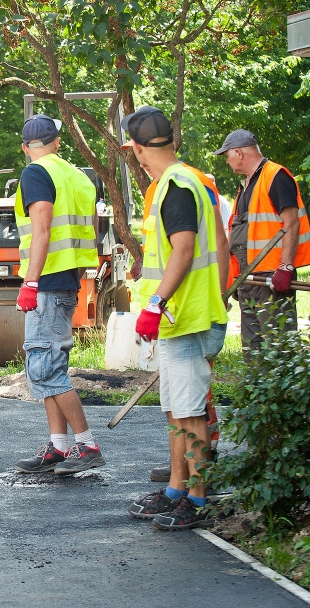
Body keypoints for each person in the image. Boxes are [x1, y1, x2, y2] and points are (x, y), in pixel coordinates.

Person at [119, 106, 228, 530]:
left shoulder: (177, 187)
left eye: (133, 150)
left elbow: (183, 251)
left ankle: (197, 501)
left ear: (141, 148)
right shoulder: (179, 182)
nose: (135, 157)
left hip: (189, 317)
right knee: (178, 412)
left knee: (190, 414)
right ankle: (178, 490)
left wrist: (155, 303)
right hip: (184, 317)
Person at [12, 115, 105, 476]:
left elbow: (42, 228)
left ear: (25, 147)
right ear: (57, 142)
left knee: (46, 368)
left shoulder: (36, 173)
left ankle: (88, 445)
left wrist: (30, 282)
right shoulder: (78, 177)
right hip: (68, 279)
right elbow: (89, 234)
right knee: (49, 367)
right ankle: (60, 447)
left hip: (46, 282)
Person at [212, 129, 310, 360]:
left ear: (238, 153)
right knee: (253, 351)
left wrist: (286, 267)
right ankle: (259, 394)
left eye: (227, 155)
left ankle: (283, 396)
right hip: (249, 279)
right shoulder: (246, 186)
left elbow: (291, 223)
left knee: (280, 349)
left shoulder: (276, 176)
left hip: (271, 279)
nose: (227, 161)